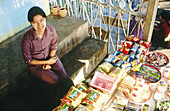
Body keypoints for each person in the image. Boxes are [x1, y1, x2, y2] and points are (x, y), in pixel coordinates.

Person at [20, 6, 73, 109]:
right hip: (35, 66)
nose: (40, 25)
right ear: (31, 23)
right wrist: (45, 63)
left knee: (63, 74)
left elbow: (54, 46)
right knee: (54, 79)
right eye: (35, 22)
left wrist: (48, 62)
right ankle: (55, 104)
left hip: (50, 57)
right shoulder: (26, 39)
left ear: (45, 18)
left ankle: (72, 97)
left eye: (41, 20)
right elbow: (28, 61)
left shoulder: (51, 30)